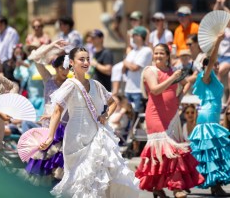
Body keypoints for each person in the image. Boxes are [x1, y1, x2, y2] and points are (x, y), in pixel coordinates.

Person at [40, 47, 140, 198]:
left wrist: (105, 115)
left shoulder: (96, 84)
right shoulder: (69, 84)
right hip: (76, 138)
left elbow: (112, 102)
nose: (86, 62)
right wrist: (49, 137)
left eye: (87, 59)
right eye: (82, 59)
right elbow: (57, 111)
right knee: (80, 178)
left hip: (96, 135)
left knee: (98, 176)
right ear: (72, 63)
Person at [135, 43, 204, 198]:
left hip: (172, 116)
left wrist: (179, 97)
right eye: (156, 53)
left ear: (167, 56)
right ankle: (176, 188)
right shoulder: (150, 70)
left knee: (170, 152)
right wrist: (173, 78)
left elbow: (186, 83)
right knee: (168, 151)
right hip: (155, 115)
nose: (158, 56)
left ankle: (160, 188)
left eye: (161, 53)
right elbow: (155, 89)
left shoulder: (173, 71)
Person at [188, 33, 230, 195]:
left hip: (212, 117)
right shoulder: (206, 77)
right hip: (207, 118)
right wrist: (218, 41)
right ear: (205, 66)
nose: (213, 65)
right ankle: (214, 186)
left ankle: (215, 184)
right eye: (209, 63)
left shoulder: (215, 79)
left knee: (214, 151)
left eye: (215, 63)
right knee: (210, 152)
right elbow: (211, 60)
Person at [23, 46, 70, 185]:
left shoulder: (71, 84)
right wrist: (52, 45)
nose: (65, 71)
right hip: (46, 128)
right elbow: (34, 57)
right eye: (62, 68)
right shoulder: (48, 80)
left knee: (58, 170)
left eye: (68, 68)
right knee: (42, 168)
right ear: (56, 67)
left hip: (62, 129)